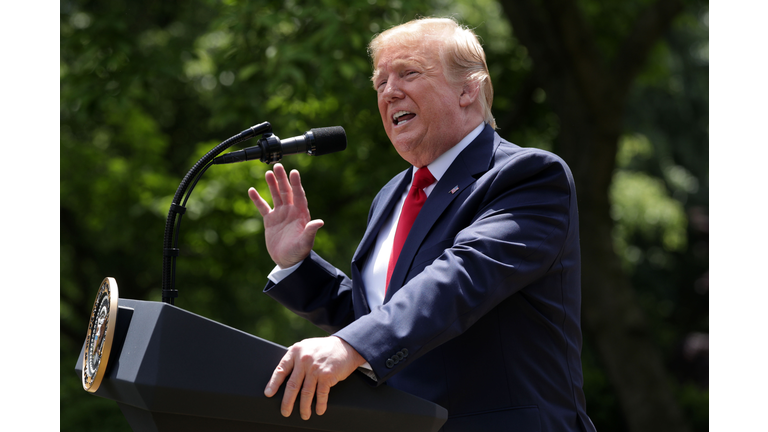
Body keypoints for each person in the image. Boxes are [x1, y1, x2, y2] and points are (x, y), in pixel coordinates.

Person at [248, 17, 595, 431]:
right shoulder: (391, 196)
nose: (389, 92)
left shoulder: (528, 176)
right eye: (380, 83)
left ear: (469, 89)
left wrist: (350, 346)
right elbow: (378, 315)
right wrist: (298, 266)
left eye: (408, 73)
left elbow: (459, 281)